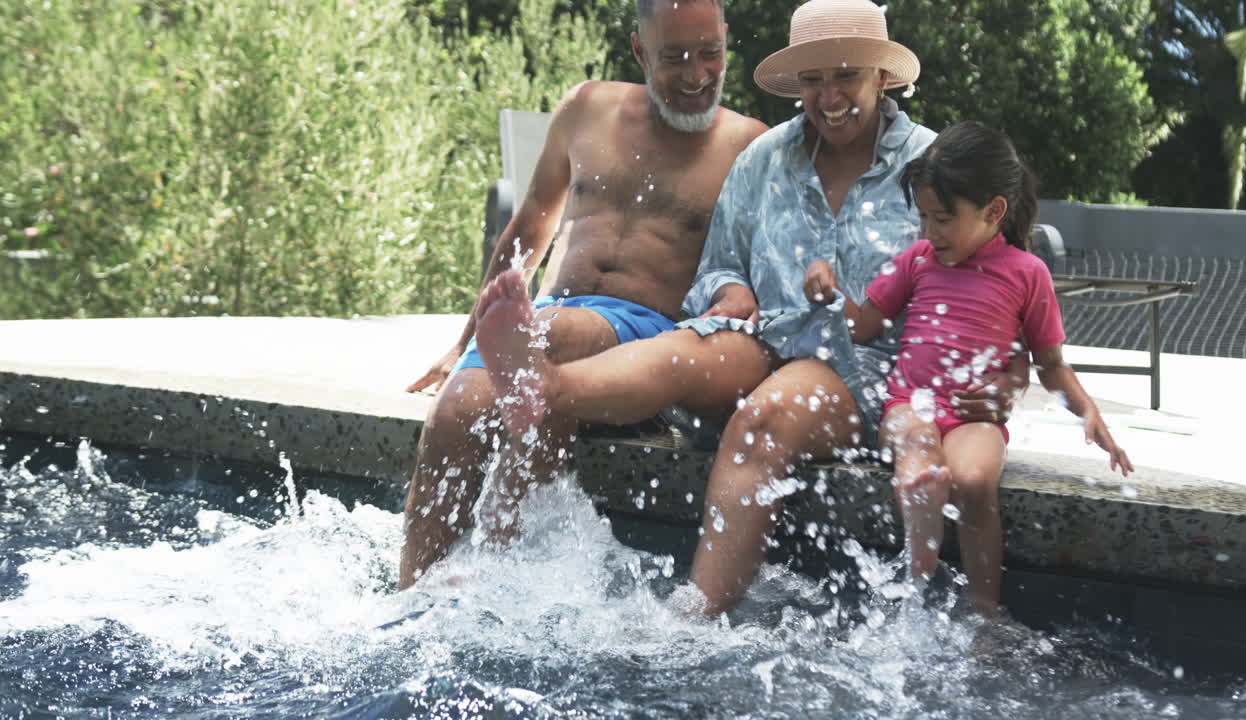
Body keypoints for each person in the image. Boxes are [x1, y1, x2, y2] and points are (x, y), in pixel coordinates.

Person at [473, 0, 1029, 615]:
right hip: (763, 343)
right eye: (813, 80)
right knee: (685, 346)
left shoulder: (933, 165)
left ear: (883, 77)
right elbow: (721, 261)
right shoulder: (765, 159)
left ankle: (696, 614)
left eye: (846, 75)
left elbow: (1005, 281)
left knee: (768, 413)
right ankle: (542, 387)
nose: (829, 95)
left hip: (869, 374)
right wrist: (726, 290)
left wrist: (1010, 376)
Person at [398, 0, 768, 590]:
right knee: (453, 414)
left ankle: (495, 572)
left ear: (727, 41)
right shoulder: (587, 107)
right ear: (639, 50)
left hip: (643, 336)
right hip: (544, 317)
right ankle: (413, 595)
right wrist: (462, 345)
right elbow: (527, 230)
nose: (698, 73)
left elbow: (758, 269)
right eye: (675, 57)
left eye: (711, 53)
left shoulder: (751, 147)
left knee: (555, 338)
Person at [814, 120, 1135, 614]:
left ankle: (985, 611)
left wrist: (1090, 414)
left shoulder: (1028, 274)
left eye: (942, 218)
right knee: (916, 444)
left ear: (993, 211)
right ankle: (916, 595)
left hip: (973, 416)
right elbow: (863, 325)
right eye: (923, 217)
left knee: (975, 481)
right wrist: (831, 293)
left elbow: (1051, 365)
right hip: (909, 405)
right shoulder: (918, 261)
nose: (929, 231)